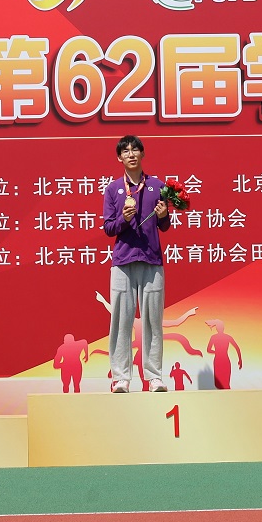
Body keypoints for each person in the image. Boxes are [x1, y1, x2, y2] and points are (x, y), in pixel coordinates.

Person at [100, 135, 171, 393]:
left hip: (151, 260)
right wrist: (124, 219)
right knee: (121, 320)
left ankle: (154, 377)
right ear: (119, 158)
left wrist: (164, 216)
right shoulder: (113, 189)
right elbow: (109, 228)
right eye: (125, 151)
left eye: (135, 150)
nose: (130, 154)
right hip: (123, 261)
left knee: (153, 320)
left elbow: (164, 225)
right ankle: (121, 377)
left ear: (142, 154)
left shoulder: (157, 186)